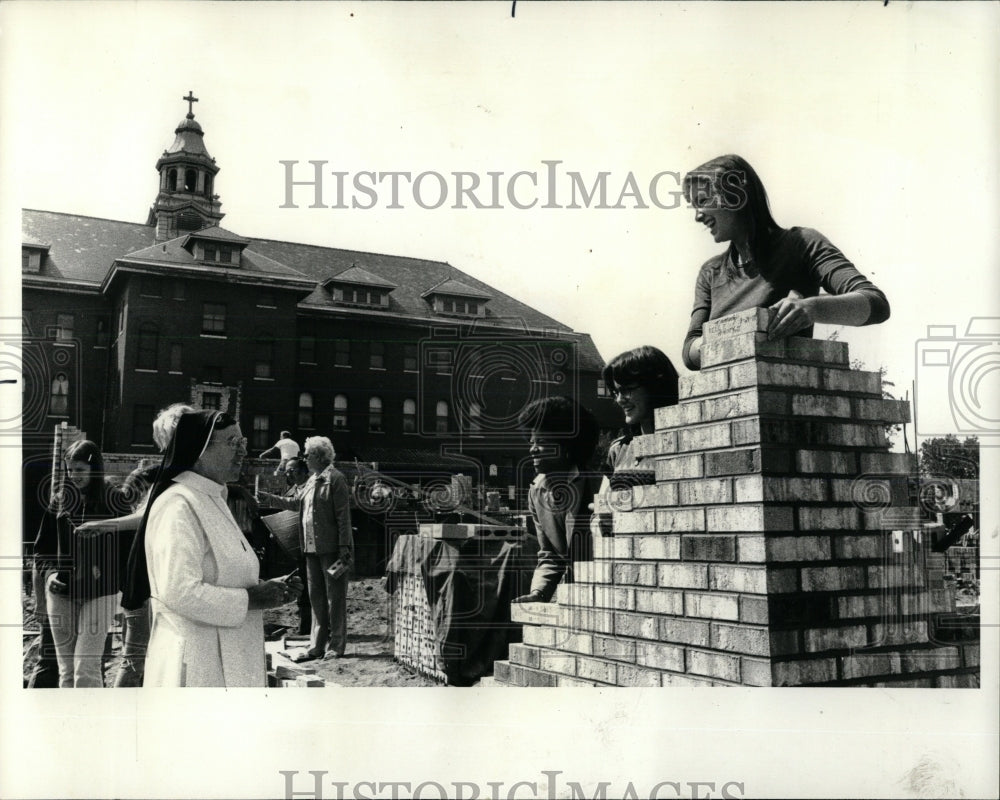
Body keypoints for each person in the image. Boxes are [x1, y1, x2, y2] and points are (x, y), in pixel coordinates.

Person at [122, 409, 302, 687]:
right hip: (197, 662)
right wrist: (252, 599)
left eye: (242, 443)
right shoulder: (178, 505)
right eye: (232, 443)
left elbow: (221, 572)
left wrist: (269, 589)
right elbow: (178, 590)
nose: (243, 451)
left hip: (228, 656)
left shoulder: (213, 497)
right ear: (199, 449)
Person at [681, 154, 890, 370]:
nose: (697, 216)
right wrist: (737, 332)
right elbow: (689, 351)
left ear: (736, 195)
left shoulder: (801, 243)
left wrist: (812, 308)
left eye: (703, 201)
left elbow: (877, 304)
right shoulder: (710, 272)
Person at [34, 439, 127, 687]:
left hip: (99, 594)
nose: (73, 476)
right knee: (65, 671)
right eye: (69, 469)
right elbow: (41, 550)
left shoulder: (115, 500)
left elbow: (130, 548)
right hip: (61, 593)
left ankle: (91, 723)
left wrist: (114, 579)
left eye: (80, 470)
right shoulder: (60, 501)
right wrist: (50, 574)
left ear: (94, 469)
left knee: (85, 669)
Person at [259, 436, 353, 661]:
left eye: (308, 454)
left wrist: (344, 547)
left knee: (335, 598)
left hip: (332, 550)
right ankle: (317, 646)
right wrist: (269, 499)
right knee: (317, 598)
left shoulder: (335, 479)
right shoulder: (312, 481)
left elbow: (343, 516)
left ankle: (336, 646)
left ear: (320, 456)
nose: (305, 458)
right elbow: (296, 504)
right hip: (311, 549)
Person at [513, 397, 601, 604]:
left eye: (542, 442)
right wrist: (538, 593)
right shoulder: (536, 492)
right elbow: (549, 555)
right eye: (531, 442)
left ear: (568, 446)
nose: (532, 449)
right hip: (571, 593)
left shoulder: (599, 485)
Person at [600, 345, 679, 487]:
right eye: (615, 393)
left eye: (626, 390)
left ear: (654, 386)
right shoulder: (618, 449)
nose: (619, 400)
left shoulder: (681, 445)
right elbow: (602, 504)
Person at [282, 457, 313, 636]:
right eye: (287, 470)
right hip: (298, 545)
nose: (288, 473)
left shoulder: (310, 488)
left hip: (312, 545)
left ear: (303, 471)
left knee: (312, 587)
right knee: (301, 585)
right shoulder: (293, 490)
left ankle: (313, 626)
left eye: (292, 470)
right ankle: (305, 625)